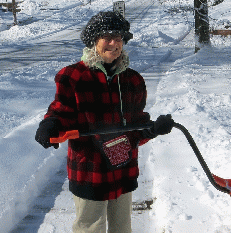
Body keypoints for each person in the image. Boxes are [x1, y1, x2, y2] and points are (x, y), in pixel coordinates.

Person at [35, 11, 174, 233]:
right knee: (90, 227)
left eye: (118, 38)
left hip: (123, 167)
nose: (113, 43)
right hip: (90, 169)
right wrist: (50, 124)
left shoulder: (133, 80)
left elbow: (137, 126)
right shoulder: (73, 77)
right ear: (94, 41)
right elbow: (60, 111)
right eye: (107, 37)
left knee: (122, 228)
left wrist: (154, 129)